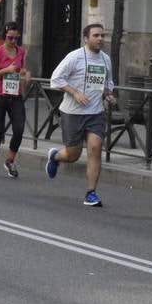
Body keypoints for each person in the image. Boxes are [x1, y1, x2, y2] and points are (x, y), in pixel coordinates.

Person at [45, 23, 116, 207]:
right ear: (86, 38)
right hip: (73, 112)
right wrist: (74, 92)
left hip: (95, 112)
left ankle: (91, 193)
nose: (100, 38)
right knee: (73, 155)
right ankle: (55, 157)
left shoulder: (105, 60)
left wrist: (108, 95)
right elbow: (56, 78)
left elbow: (108, 82)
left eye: (102, 35)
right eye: (96, 35)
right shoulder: (74, 57)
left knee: (95, 148)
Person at [0, 22, 30, 178]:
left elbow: (21, 69)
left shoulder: (21, 51)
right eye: (10, 37)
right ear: (5, 36)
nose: (13, 41)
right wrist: (6, 70)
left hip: (15, 97)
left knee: (19, 130)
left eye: (16, 38)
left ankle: (10, 160)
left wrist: (25, 73)